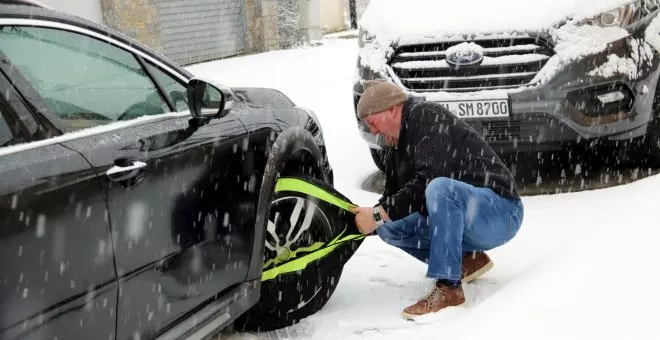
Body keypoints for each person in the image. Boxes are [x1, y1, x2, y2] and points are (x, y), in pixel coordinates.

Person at [350, 80, 524, 320]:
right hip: (468, 216)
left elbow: (429, 180)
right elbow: (390, 201)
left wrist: (378, 214)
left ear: (392, 109)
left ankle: (449, 288)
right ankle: (468, 260)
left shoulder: (425, 116)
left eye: (372, 122)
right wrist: (361, 222)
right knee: (387, 226)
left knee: (439, 188)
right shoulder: (395, 150)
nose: (374, 131)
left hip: (501, 211)